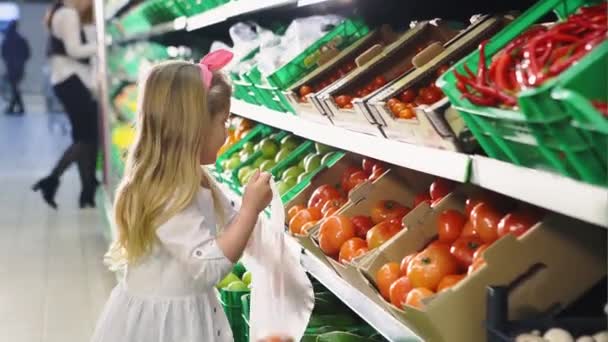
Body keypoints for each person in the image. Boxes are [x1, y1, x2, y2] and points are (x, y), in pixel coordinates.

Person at [90, 50, 273, 342]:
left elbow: (230, 218)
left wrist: (257, 214)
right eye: (223, 122)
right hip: (165, 327)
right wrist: (251, 209)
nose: (227, 134)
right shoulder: (166, 190)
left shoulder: (193, 175)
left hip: (185, 312)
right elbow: (209, 266)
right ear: (195, 128)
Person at [32, 0, 99, 209]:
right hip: (71, 80)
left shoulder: (58, 12)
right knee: (88, 137)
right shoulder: (69, 14)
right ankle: (52, 180)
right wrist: (103, 44)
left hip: (64, 80)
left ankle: (87, 189)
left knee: (83, 137)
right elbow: (75, 50)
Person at [1, 20, 30, 115]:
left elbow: (3, 53)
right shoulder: (21, 39)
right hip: (20, 66)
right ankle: (15, 107)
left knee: (14, 87)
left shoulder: (7, 39)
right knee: (15, 87)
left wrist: (9, 61)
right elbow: (27, 53)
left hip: (11, 66)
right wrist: (21, 61)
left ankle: (15, 107)